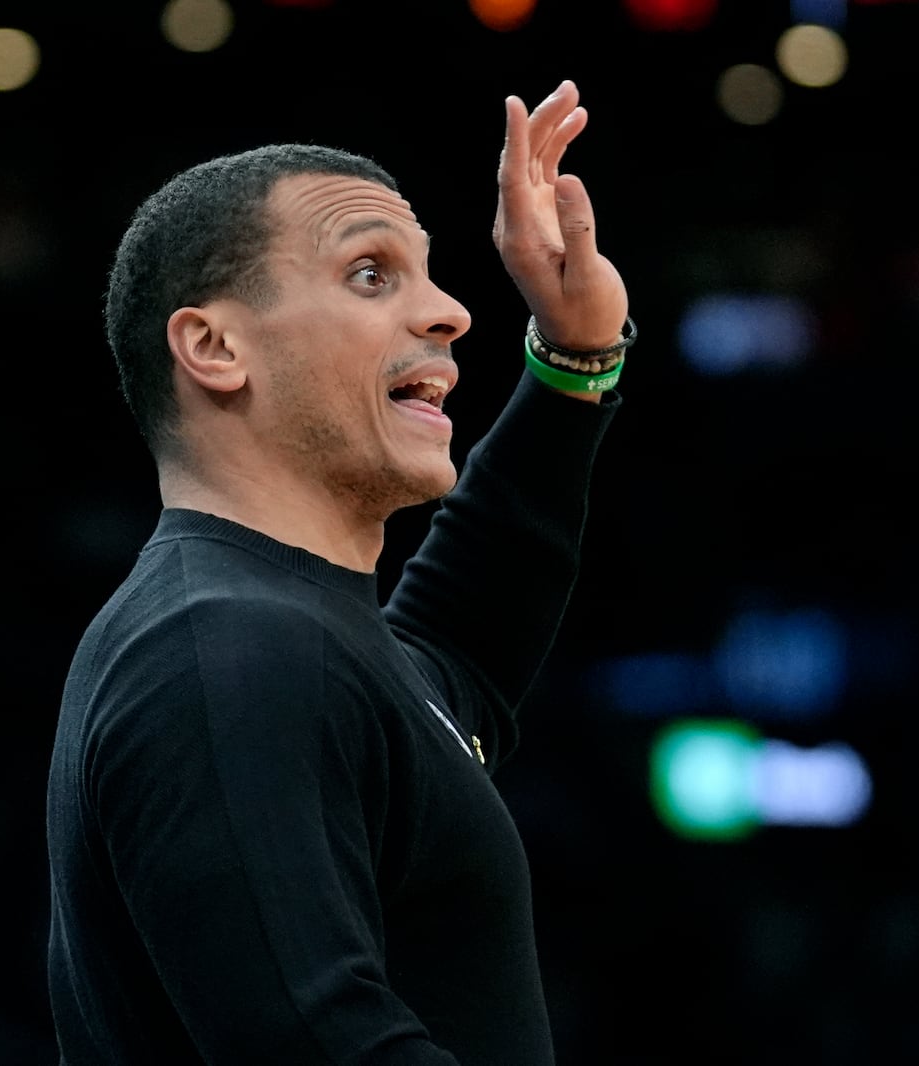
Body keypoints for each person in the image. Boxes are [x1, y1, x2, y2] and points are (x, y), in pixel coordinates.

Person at [46, 78, 634, 1065]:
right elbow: (321, 1041)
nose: (450, 312)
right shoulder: (228, 654)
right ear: (215, 346)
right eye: (372, 274)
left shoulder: (283, 631)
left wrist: (575, 358)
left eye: (430, 275)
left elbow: (457, 650)